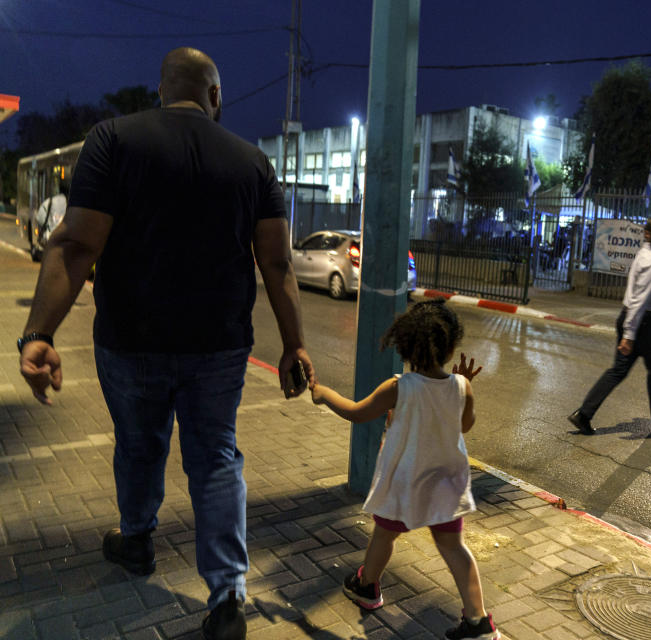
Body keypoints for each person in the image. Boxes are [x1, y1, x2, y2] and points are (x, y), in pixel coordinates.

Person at [17, 47, 315, 640]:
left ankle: (137, 540)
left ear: (160, 92)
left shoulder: (112, 141)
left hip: (131, 343)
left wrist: (39, 333)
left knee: (138, 446)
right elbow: (278, 261)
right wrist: (294, 345)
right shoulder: (252, 162)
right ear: (216, 96)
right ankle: (228, 596)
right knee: (216, 459)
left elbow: (76, 245)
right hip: (220, 347)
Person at [310, 299, 500, 640]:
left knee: (384, 535)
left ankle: (367, 586)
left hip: (406, 481)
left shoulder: (399, 387)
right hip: (445, 481)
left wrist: (324, 394)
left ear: (405, 344)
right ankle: (479, 623)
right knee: (454, 548)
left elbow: (356, 412)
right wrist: (464, 387)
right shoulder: (461, 386)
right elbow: (465, 426)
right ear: (451, 345)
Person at [568, 216, 651, 437]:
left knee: (618, 371)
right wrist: (630, 335)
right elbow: (639, 299)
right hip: (642, 325)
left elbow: (636, 297)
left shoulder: (642, 256)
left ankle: (583, 414)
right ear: (647, 234)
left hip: (634, 318)